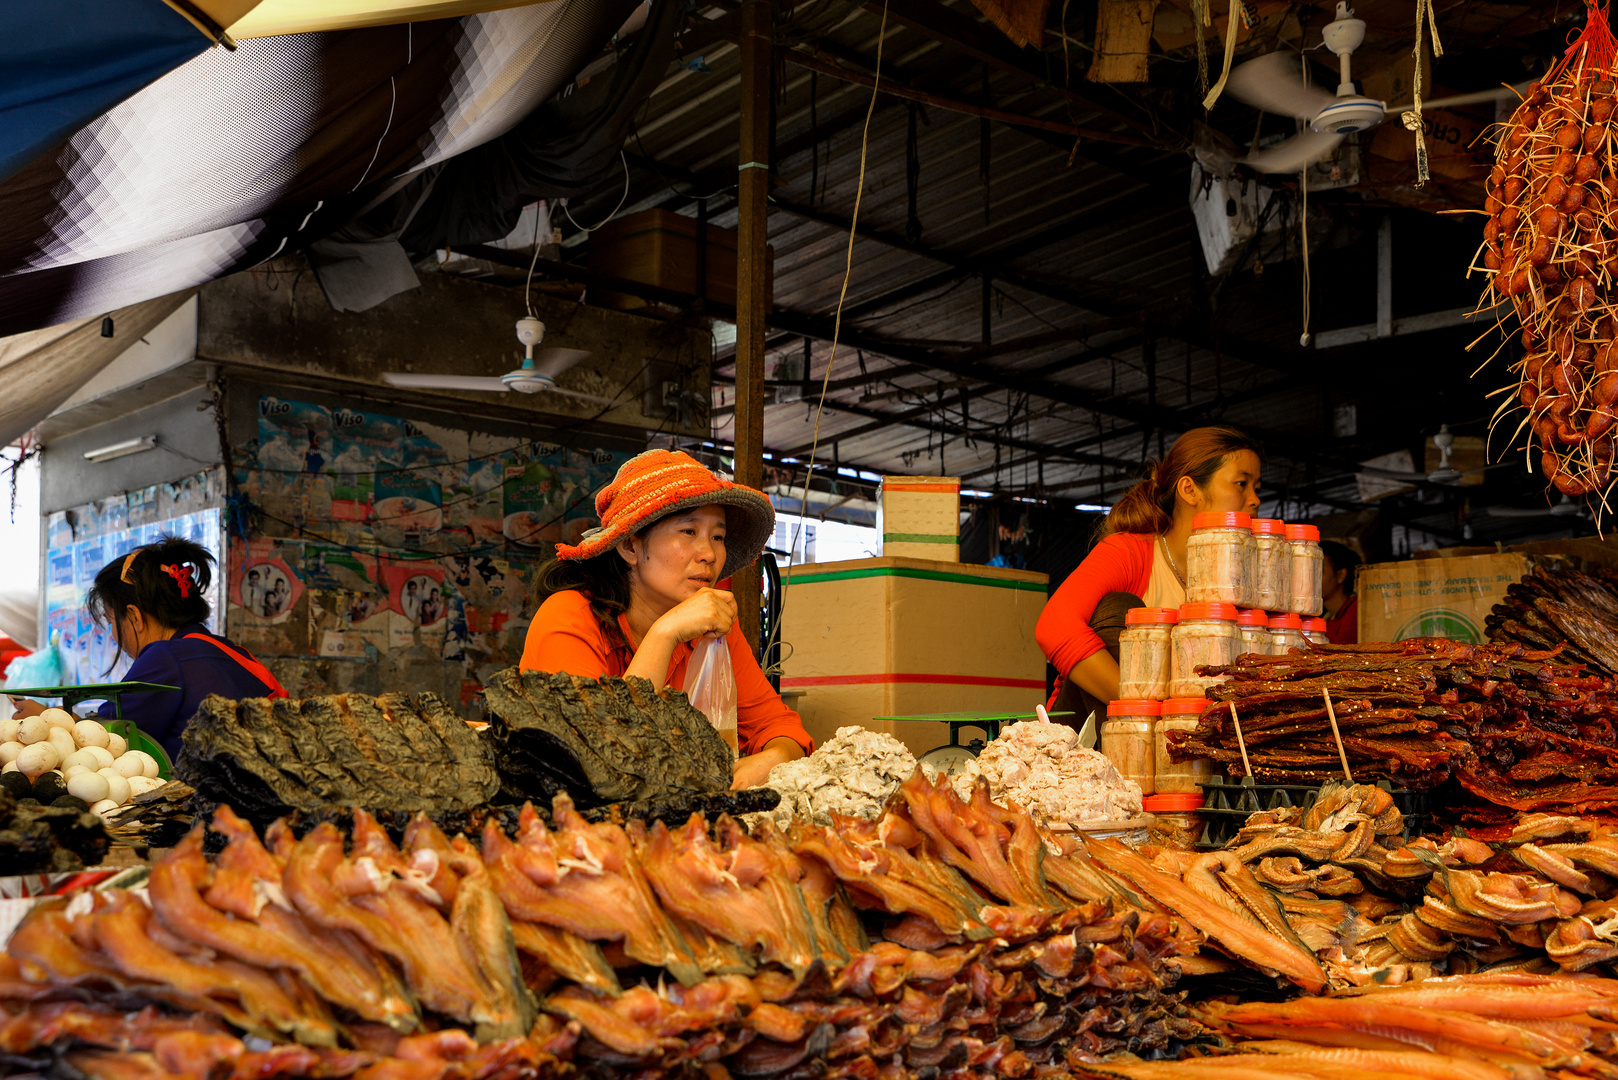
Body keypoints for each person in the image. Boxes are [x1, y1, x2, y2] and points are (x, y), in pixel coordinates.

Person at [520, 449, 812, 789]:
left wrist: (762, 764)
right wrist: (665, 633)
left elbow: (782, 730)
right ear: (630, 547)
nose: (709, 554)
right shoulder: (568, 616)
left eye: (717, 537)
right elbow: (592, 756)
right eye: (688, 531)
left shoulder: (713, 630)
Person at [1035, 426, 1264, 726]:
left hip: (1191, 735)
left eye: (1256, 487)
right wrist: (1154, 709)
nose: (1254, 499)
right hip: (1095, 730)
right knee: (1119, 607)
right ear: (1189, 490)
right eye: (1241, 484)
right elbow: (1054, 627)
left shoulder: (1245, 578)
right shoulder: (1130, 553)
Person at [11, 536, 286, 761]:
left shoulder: (167, 657)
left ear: (134, 616)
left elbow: (104, 741)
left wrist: (49, 720)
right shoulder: (234, 653)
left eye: (111, 621)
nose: (114, 636)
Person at [1319, 540, 1360, 645]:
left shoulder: (1355, 609)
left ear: (1340, 575)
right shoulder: (1329, 618)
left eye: (1318, 571)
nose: (1309, 577)